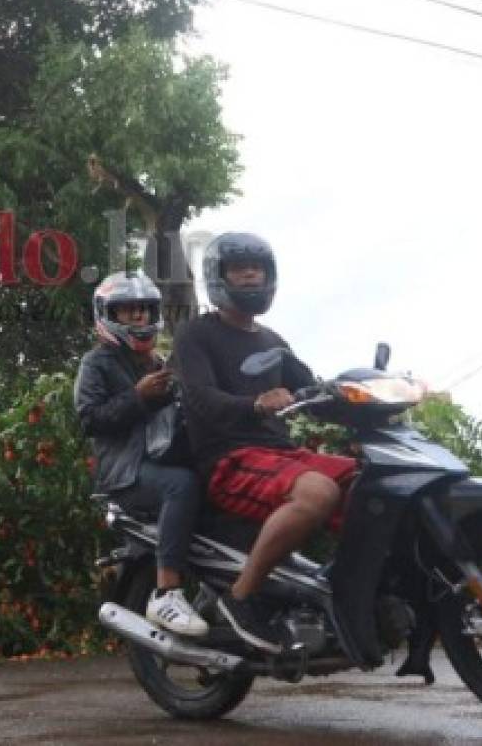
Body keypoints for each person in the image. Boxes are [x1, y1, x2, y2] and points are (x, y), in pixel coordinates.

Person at [173, 232, 356, 653]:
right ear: (219, 277)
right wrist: (255, 404)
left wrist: (365, 399)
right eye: (240, 268)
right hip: (229, 457)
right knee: (317, 492)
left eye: (258, 267)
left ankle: (337, 589)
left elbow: (313, 391)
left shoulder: (272, 342)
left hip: (282, 456)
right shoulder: (196, 335)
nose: (251, 274)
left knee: (372, 484)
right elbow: (199, 397)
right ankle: (242, 597)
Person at [74, 272, 208, 638]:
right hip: (126, 471)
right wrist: (138, 397)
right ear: (107, 316)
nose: (138, 319)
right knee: (181, 486)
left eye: (144, 312)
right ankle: (166, 592)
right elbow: (89, 420)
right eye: (129, 312)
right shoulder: (96, 363)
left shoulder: (157, 361)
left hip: (162, 458)